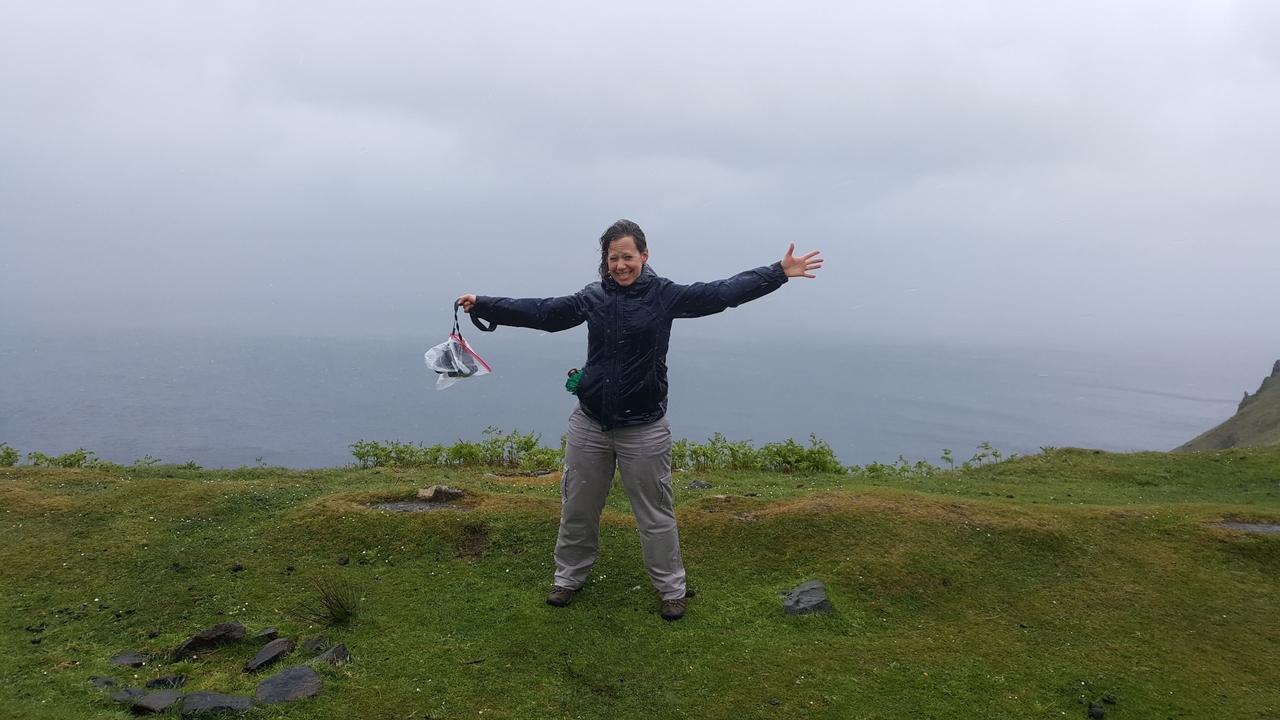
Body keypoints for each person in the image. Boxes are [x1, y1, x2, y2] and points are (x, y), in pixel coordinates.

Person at [457, 219, 821, 621]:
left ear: (644, 256)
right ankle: (568, 579)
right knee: (577, 506)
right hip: (590, 424)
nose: (620, 265)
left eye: (627, 256)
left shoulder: (664, 295)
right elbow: (546, 312)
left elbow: (721, 294)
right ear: (606, 260)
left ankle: (671, 589)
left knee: (655, 513)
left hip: (645, 427)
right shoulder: (592, 297)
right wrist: (486, 303)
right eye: (613, 258)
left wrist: (777, 272)